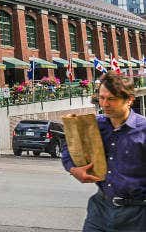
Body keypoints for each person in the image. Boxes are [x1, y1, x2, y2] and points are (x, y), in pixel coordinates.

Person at [62, 73, 146, 231]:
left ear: (129, 100)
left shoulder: (143, 130)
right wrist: (74, 170)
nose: (105, 104)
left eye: (111, 99)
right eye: (101, 98)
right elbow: (68, 146)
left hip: (137, 215)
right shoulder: (94, 125)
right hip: (100, 209)